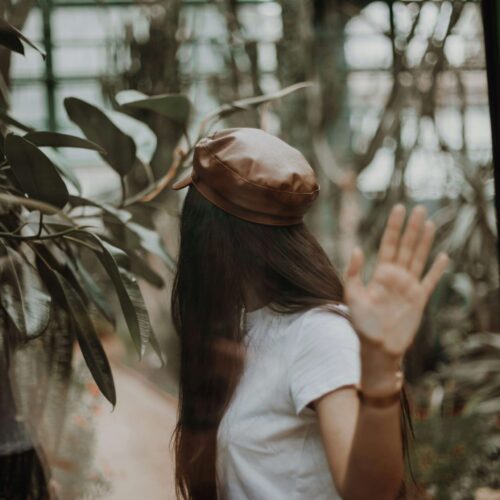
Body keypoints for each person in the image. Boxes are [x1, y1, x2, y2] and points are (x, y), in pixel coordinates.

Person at [169, 128, 449, 500]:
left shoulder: (317, 333)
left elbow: (368, 493)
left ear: (209, 234)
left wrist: (381, 370)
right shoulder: (244, 328)